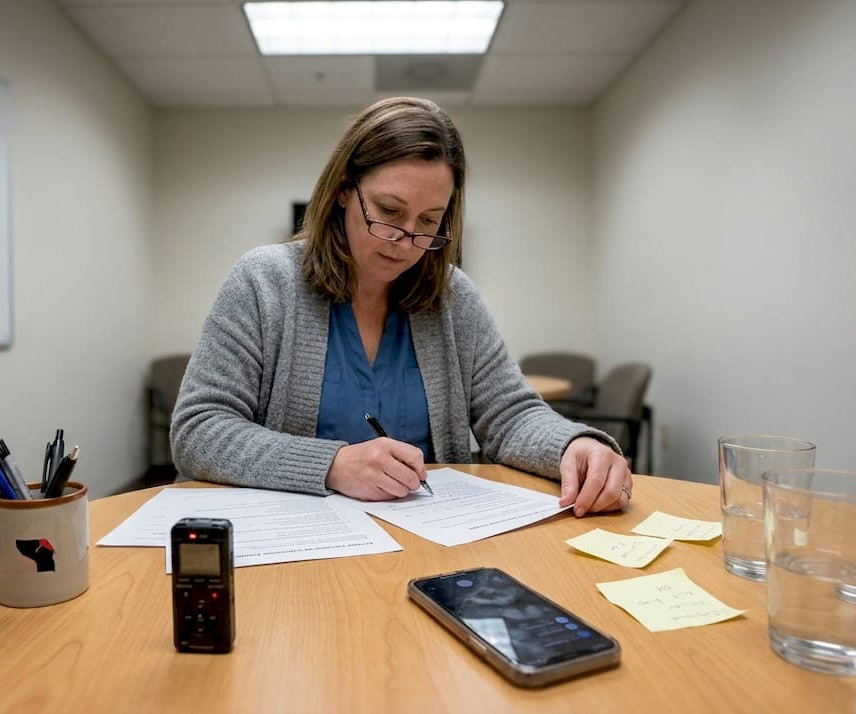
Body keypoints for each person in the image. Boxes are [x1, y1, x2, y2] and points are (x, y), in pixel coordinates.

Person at [171, 97, 632, 515]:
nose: (406, 242)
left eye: (429, 221)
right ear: (343, 190)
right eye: (389, 212)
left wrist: (574, 445)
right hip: (292, 551)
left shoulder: (454, 297)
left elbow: (510, 415)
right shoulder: (264, 281)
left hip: (429, 543)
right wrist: (331, 464)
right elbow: (198, 430)